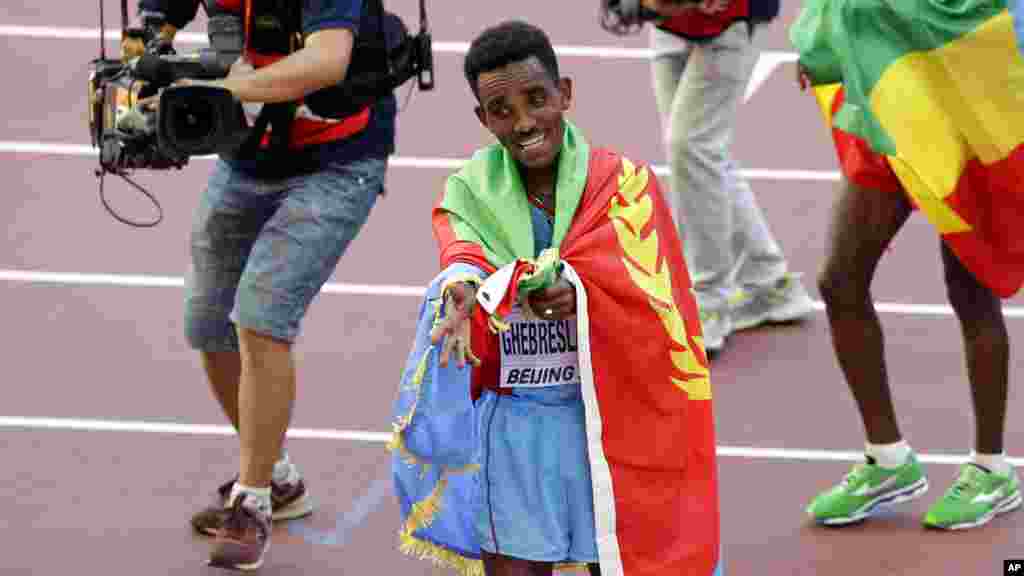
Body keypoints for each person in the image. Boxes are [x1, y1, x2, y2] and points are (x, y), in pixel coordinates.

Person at [390, 20, 722, 576]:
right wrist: (459, 297)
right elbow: (462, 253)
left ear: (565, 93)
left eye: (536, 99)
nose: (522, 123)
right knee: (514, 568)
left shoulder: (626, 186)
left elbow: (660, 296)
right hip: (515, 420)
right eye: (501, 110)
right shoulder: (469, 188)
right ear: (482, 119)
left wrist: (586, 292)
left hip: (609, 418)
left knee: (615, 559)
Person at [126, 0, 397, 568]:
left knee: (260, 317)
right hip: (246, 157)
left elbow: (327, 60)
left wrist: (231, 90)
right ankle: (277, 478)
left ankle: (251, 505)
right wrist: (145, 54)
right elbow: (161, 18)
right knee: (207, 320)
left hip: (338, 163)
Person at [790, 0, 1021, 529]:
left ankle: (991, 469)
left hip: (961, 95)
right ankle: (887, 457)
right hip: (889, 99)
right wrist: (823, 39)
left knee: (971, 288)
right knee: (840, 279)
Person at [638, 0, 815, 354]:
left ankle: (707, 305)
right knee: (699, 155)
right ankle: (770, 284)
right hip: (667, 24)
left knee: (692, 146)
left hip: (731, 21)